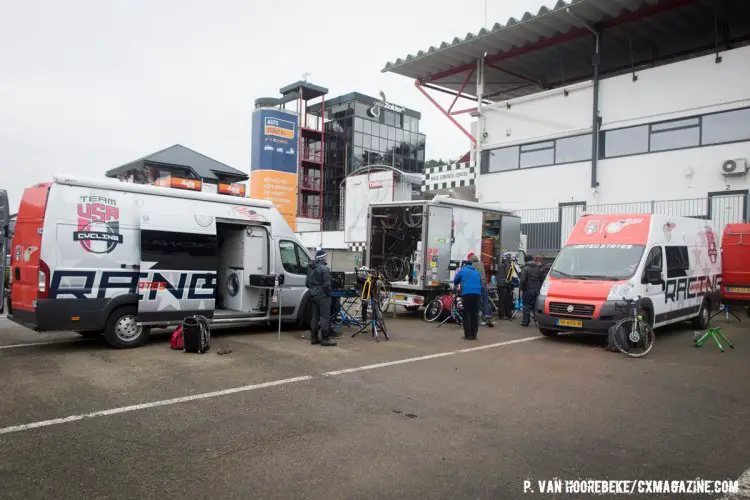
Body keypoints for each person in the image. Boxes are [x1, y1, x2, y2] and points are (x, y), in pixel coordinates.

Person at [305, 248, 337, 346]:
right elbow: (327, 285)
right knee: (325, 317)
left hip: (313, 295)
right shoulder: (324, 269)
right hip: (323, 296)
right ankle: (325, 339)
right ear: (322, 258)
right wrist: (329, 293)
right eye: (326, 256)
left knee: (315, 317)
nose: (327, 258)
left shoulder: (310, 268)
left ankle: (314, 338)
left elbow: (307, 283)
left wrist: (313, 290)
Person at [453, 256, 482, 340]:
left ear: (464, 265)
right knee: (475, 314)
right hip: (477, 294)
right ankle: (474, 335)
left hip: (467, 294)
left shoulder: (463, 271)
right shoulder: (476, 272)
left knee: (467, 314)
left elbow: (455, 281)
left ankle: (468, 335)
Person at [468, 252, 494, 327]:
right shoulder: (481, 263)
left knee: (477, 301)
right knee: (486, 301)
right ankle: (487, 316)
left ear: (470, 258)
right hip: (484, 284)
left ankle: (480, 317)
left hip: (477, 285)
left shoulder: (472, 265)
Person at [519, 255, 544, 327]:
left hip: (528, 290)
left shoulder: (525, 269)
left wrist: (522, 289)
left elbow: (522, 281)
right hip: (537, 290)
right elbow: (542, 279)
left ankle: (525, 322)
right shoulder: (538, 268)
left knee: (526, 306)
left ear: (525, 260)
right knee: (536, 307)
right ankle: (537, 322)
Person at [495, 254, 515, 320]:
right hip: (505, 285)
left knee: (501, 300)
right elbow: (508, 276)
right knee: (507, 300)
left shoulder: (500, 265)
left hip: (500, 284)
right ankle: (508, 314)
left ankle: (500, 315)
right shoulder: (508, 265)